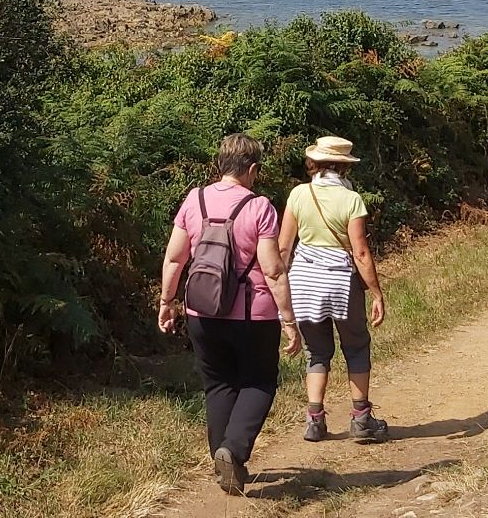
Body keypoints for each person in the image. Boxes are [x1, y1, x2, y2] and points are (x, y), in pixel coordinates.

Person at [158, 134, 303, 496]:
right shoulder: (260, 207)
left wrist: (167, 301)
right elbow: (273, 270)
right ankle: (233, 451)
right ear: (252, 169)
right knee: (259, 381)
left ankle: (223, 460)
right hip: (252, 315)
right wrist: (288, 319)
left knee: (218, 384)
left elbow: (175, 258)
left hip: (201, 311)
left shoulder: (194, 199)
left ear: (219, 165)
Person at [278, 136, 390, 443]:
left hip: (304, 283)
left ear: (314, 162)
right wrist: (376, 293)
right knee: (356, 346)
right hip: (341, 281)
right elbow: (361, 252)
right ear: (344, 167)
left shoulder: (299, 194)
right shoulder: (351, 199)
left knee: (316, 351)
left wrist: (278, 290)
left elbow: (284, 248)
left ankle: (315, 421)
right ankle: (361, 418)